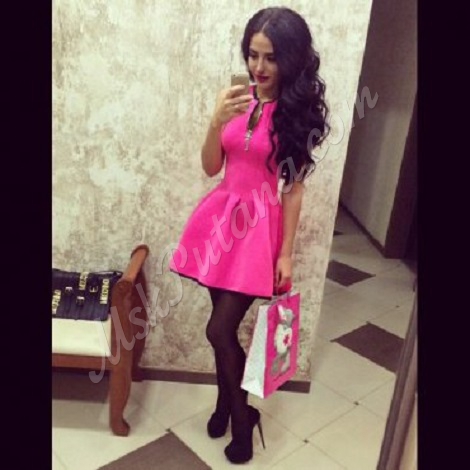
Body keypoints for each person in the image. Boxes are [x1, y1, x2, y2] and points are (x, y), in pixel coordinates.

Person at [169, 6, 329, 464]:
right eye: (252, 55)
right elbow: (211, 167)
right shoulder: (236, 100)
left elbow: (293, 189)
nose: (258, 67)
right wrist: (215, 120)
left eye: (270, 57)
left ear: (291, 59)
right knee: (221, 332)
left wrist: (286, 254)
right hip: (219, 222)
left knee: (219, 330)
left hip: (257, 230)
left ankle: (243, 419)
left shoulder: (295, 115)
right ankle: (226, 406)